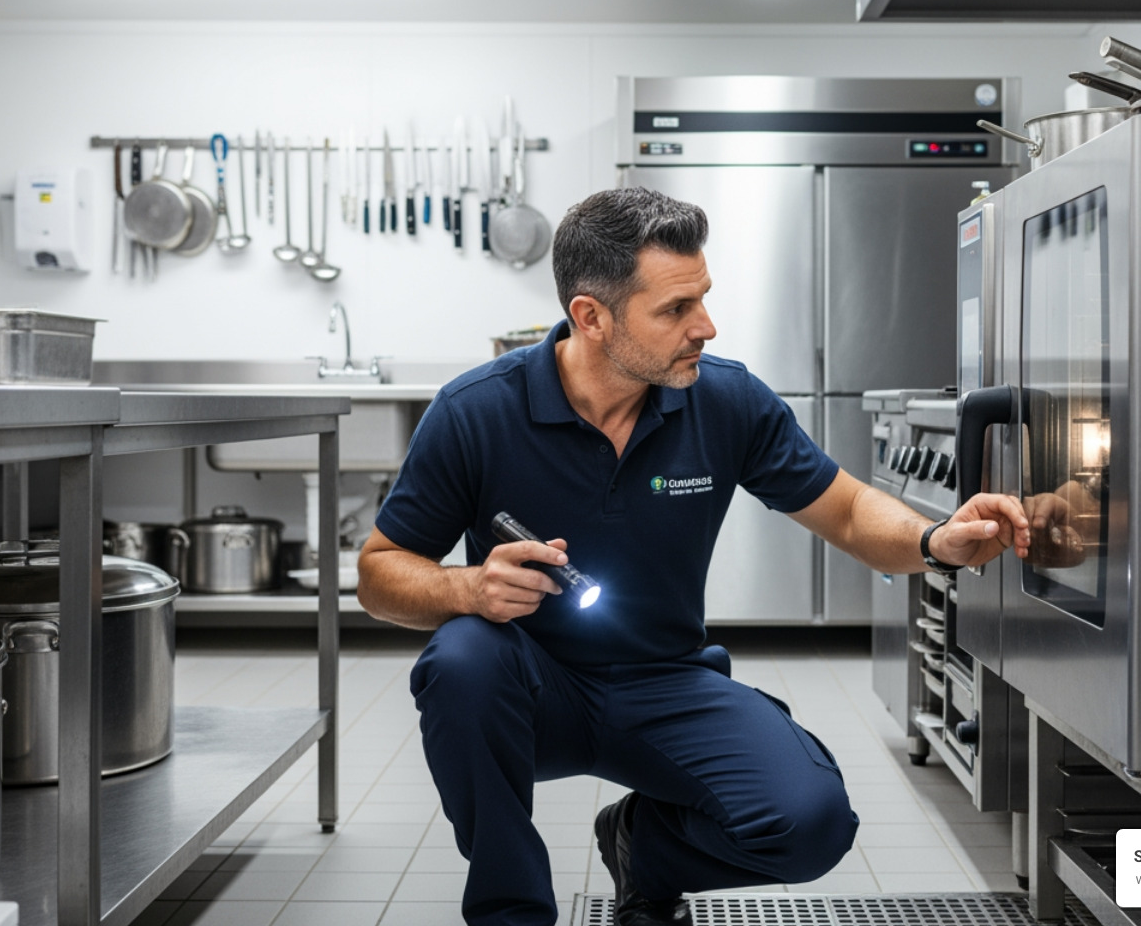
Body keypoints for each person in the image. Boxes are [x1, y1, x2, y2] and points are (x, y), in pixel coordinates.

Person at [357, 187, 1031, 926]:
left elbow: (844, 508)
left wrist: (935, 542)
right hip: (524, 687)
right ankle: (511, 910)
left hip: (666, 681)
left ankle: (641, 849)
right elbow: (380, 574)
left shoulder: (725, 401)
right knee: (461, 659)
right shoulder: (476, 411)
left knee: (812, 825)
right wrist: (464, 589)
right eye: (675, 309)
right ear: (591, 317)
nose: (705, 327)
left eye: (703, 299)